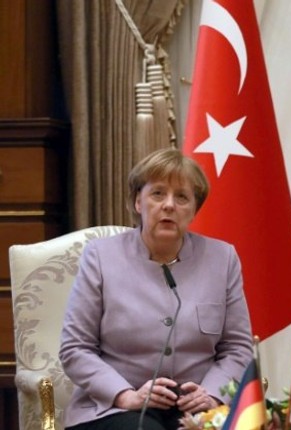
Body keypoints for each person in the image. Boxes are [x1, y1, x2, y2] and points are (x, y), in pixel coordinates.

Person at [60, 148, 254, 430]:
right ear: (138, 202)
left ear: (193, 209)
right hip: (113, 409)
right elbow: (75, 348)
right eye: (158, 194)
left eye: (182, 197)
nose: (169, 205)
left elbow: (237, 348)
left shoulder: (222, 259)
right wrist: (125, 395)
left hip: (197, 411)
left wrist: (211, 395)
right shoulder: (101, 257)